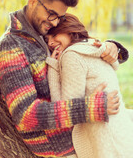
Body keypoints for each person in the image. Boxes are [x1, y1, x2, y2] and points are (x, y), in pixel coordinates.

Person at [0, 0, 128, 158]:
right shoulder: (11, 47)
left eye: (60, 16)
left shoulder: (44, 31)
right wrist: (88, 108)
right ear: (32, 2)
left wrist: (113, 47)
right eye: (52, 14)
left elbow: (80, 48)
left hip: (87, 138)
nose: (56, 22)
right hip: (63, 152)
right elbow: (26, 116)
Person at [45, 13, 133, 158]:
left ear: (69, 29)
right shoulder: (94, 48)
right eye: (47, 39)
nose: (50, 43)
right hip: (122, 134)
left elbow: (65, 111)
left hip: (105, 141)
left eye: (54, 35)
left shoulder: (72, 55)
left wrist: (53, 69)